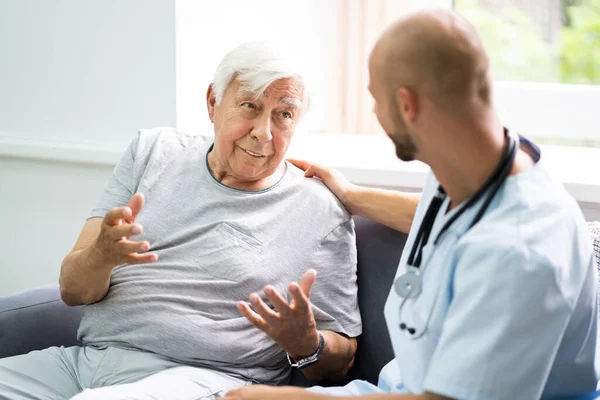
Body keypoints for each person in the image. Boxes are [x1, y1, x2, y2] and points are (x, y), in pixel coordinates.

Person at [223, 9, 599, 400]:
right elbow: (442, 216)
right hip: (401, 384)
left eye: (375, 98)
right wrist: (351, 195)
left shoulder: (520, 255)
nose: (374, 112)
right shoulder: (480, 156)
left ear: (407, 105)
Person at [0, 42, 362, 399]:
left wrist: (307, 344)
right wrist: (102, 255)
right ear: (213, 103)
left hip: (208, 378)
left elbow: (341, 363)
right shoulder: (153, 152)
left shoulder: (318, 207)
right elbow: (73, 290)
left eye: (283, 114)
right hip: (87, 364)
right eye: (249, 106)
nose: (263, 132)